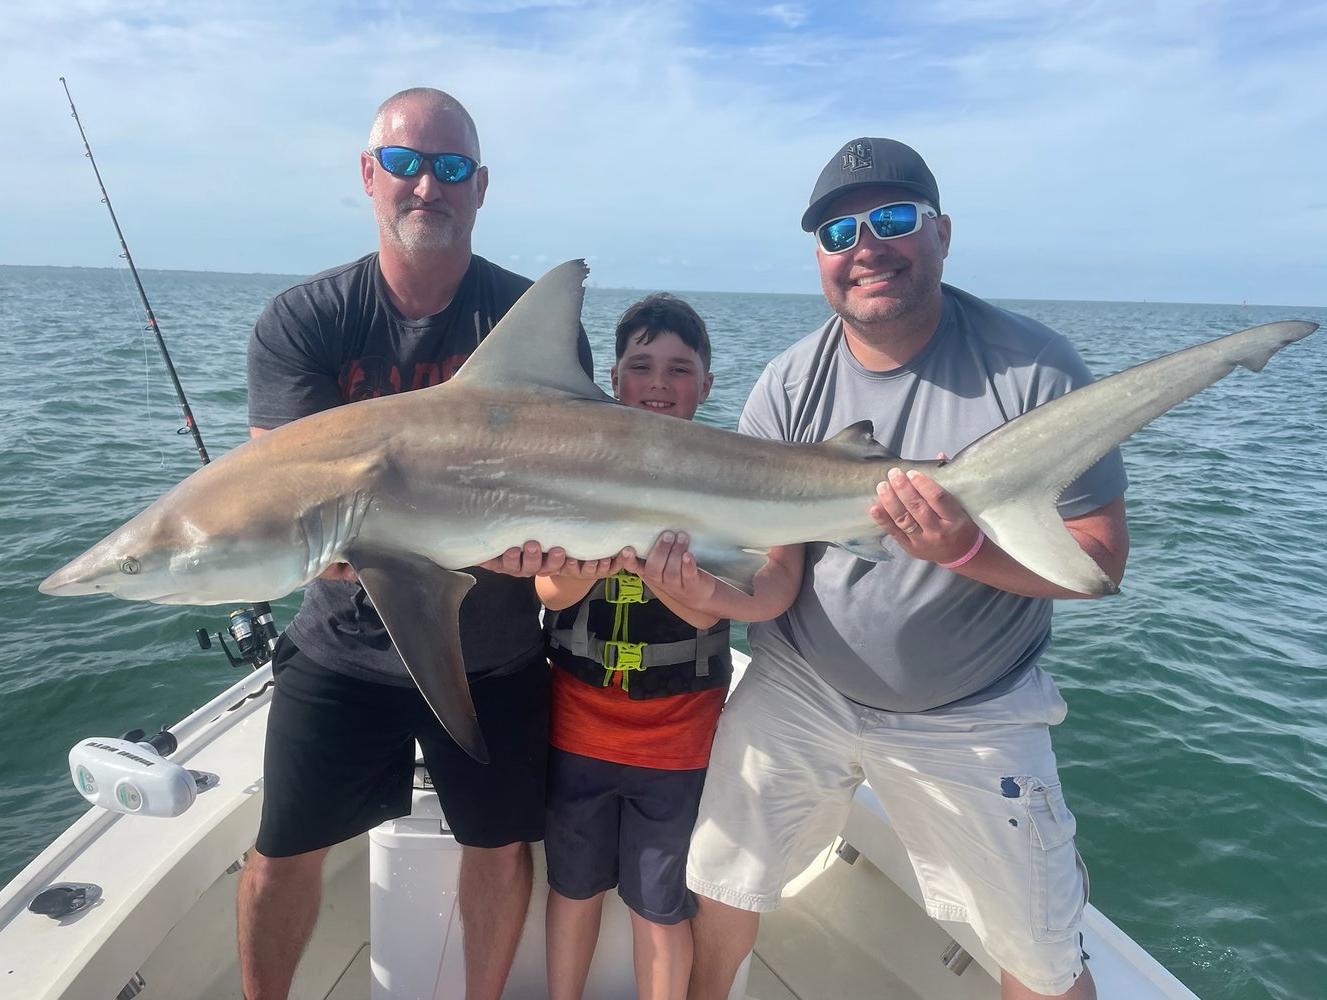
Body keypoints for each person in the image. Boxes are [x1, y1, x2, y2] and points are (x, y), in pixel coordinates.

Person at [673, 138, 1129, 1000]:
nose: (865, 247)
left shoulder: (1032, 372)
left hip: (971, 707)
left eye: (891, 219)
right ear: (818, 258)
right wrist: (706, 596)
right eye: (838, 231)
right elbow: (774, 581)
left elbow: (1097, 563)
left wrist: (963, 549)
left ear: (942, 232)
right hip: (801, 683)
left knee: (1041, 955)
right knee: (718, 882)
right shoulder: (786, 383)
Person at [237, 87, 589, 1000]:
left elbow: (578, 486)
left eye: (450, 167)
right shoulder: (307, 322)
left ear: (480, 188)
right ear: (368, 176)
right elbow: (284, 498)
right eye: (403, 163)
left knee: (498, 844)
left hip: (496, 647)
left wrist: (554, 553)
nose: (426, 183)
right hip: (343, 643)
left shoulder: (525, 316)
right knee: (280, 852)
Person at [536, 294, 740, 1000]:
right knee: (572, 889)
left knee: (659, 906)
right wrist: (570, 573)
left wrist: (680, 585)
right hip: (576, 727)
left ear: (707, 385)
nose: (658, 382)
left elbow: (738, 597)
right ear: (613, 380)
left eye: (680, 369)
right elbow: (548, 595)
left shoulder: (728, 475)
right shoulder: (573, 465)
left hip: (677, 742)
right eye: (641, 365)